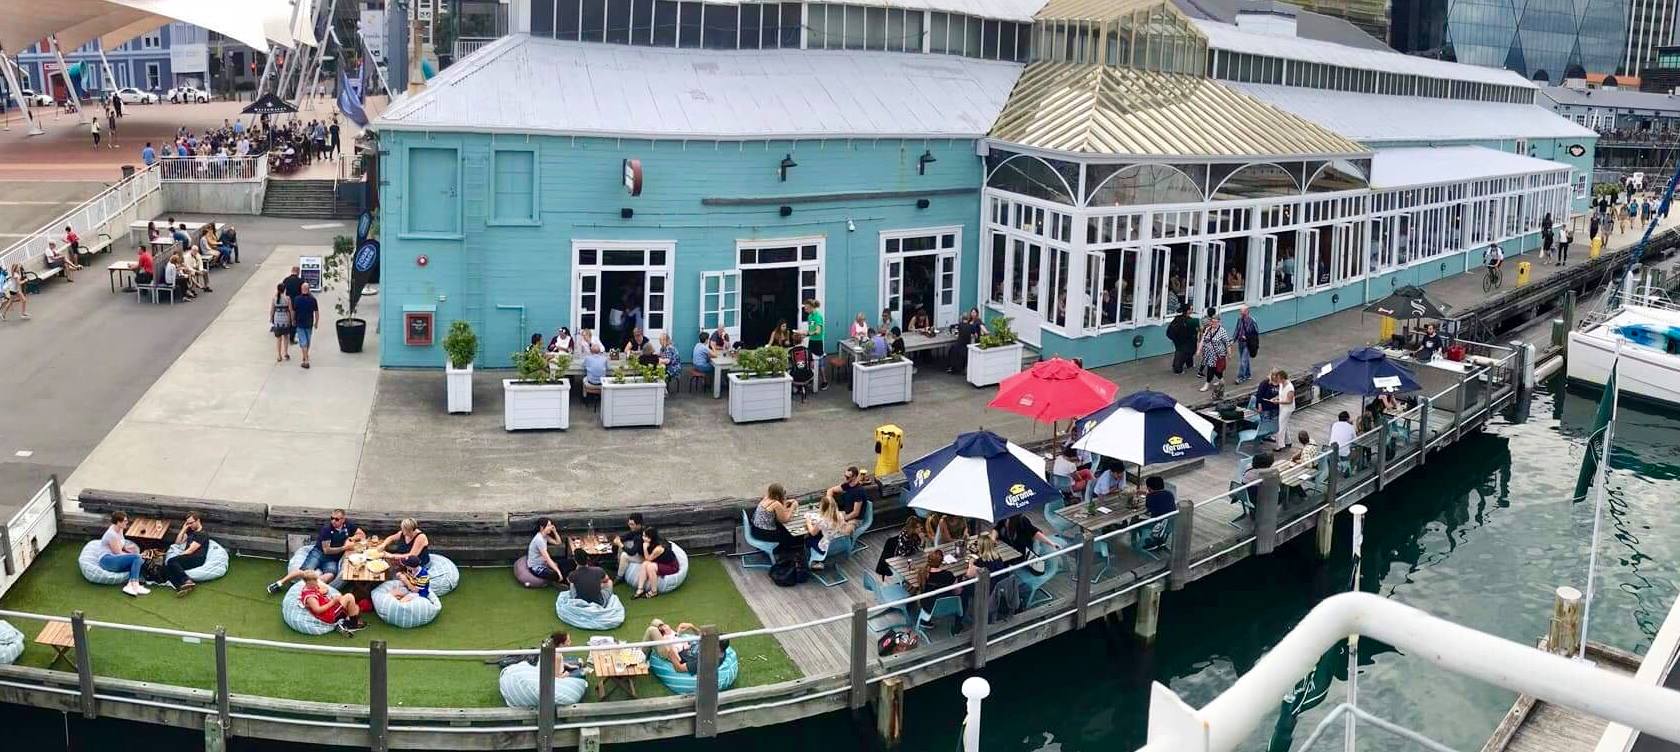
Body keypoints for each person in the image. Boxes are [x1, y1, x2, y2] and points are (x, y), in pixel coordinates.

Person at [268, 510, 366, 592]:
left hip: (333, 559)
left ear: (343, 520)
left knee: (330, 575)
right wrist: (345, 548)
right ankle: (279, 583)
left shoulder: (348, 525)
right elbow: (327, 550)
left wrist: (351, 539)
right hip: (319, 553)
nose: (333, 521)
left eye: (336, 519)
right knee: (304, 571)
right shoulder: (327, 529)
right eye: (332, 518)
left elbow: (361, 534)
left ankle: (309, 589)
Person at [299, 571, 367, 636]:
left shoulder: (309, 587)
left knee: (355, 607)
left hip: (329, 609)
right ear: (308, 582)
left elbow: (323, 590)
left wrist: (322, 591)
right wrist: (332, 602)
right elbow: (318, 610)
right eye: (315, 581)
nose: (317, 582)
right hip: (329, 615)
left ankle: (345, 622)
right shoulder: (310, 597)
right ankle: (352, 625)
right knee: (350, 597)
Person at [98, 512, 150, 597]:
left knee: (138, 560)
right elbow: (118, 553)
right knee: (137, 558)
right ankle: (135, 585)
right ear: (118, 522)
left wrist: (129, 550)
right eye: (125, 521)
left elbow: (122, 544)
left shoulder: (120, 529)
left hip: (115, 558)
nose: (127, 522)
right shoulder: (112, 534)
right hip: (107, 561)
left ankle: (129, 586)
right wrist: (134, 555)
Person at [161, 512, 211, 595]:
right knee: (167, 568)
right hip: (189, 557)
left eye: (191, 523)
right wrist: (183, 529)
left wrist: (178, 556)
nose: (190, 525)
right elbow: (177, 542)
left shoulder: (202, 534)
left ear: (198, 520)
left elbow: (191, 550)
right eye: (188, 523)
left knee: (171, 561)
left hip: (197, 558)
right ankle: (180, 588)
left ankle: (187, 580)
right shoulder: (190, 532)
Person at [803, 496, 856, 564]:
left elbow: (813, 533)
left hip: (828, 547)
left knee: (808, 539)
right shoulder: (840, 515)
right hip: (839, 543)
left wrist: (808, 522)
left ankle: (813, 562)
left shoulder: (822, 521)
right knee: (819, 535)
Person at [752, 483, 801, 554]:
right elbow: (784, 520)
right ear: (779, 495)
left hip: (755, 529)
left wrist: (785, 502)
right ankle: (782, 553)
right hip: (764, 534)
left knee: (782, 528)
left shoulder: (766, 498)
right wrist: (793, 507)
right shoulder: (776, 504)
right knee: (790, 536)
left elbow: (780, 510)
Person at [912, 549, 956, 625]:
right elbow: (957, 591)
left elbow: (920, 587)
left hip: (927, 605)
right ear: (942, 561)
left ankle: (925, 621)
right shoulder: (948, 574)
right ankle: (958, 622)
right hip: (946, 605)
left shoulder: (923, 573)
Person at [634, 527, 680, 599]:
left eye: (646, 536)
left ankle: (654, 591)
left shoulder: (658, 548)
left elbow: (648, 559)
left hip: (671, 566)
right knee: (644, 564)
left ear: (651, 538)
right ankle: (640, 589)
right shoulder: (650, 543)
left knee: (650, 566)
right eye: (643, 536)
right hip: (660, 562)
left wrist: (645, 548)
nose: (643, 538)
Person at [1196, 308, 1232, 392]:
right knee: (1213, 369)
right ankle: (1219, 381)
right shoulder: (1208, 329)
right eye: (1212, 322)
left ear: (1219, 322)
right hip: (1208, 353)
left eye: (1215, 322)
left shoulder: (1222, 331)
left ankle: (1209, 383)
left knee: (1213, 369)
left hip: (1218, 354)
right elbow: (1203, 340)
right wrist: (1199, 350)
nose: (1213, 323)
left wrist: (1229, 354)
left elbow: (1227, 343)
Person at [526, 518, 568, 586]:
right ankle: (562, 582)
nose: (551, 527)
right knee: (556, 574)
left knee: (567, 563)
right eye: (549, 525)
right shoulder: (539, 540)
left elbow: (558, 542)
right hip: (536, 567)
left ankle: (564, 579)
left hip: (544, 563)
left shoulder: (544, 536)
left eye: (551, 525)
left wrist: (555, 531)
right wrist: (558, 572)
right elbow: (547, 559)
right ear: (542, 527)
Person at [798, 299, 827, 388]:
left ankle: (824, 381)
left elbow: (818, 331)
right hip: (811, 341)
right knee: (810, 361)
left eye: (806, 308)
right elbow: (811, 330)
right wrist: (803, 334)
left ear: (811, 307)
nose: (805, 310)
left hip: (818, 342)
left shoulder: (818, 316)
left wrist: (807, 333)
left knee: (820, 363)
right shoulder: (810, 316)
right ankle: (811, 379)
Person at [290, 282, 320, 369]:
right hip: (309, 323)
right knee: (308, 340)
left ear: (301, 289)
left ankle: (305, 360)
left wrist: (292, 320)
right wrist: (316, 322)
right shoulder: (313, 299)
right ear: (309, 289)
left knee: (303, 341)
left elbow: (293, 311)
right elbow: (316, 312)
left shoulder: (297, 299)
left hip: (300, 322)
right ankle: (306, 355)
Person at [946, 308, 984, 374]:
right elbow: (976, 335)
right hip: (966, 345)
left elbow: (953, 328)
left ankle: (951, 367)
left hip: (959, 345)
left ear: (962, 319)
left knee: (951, 350)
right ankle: (960, 368)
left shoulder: (960, 325)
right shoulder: (971, 326)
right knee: (961, 354)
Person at [1167, 304, 1197, 375]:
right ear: (1188, 311)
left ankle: (1189, 364)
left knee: (1187, 351)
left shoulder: (1177, 318)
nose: (1192, 310)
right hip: (1184, 340)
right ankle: (1177, 369)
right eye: (1191, 309)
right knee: (1182, 353)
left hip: (1178, 339)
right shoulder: (1188, 320)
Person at [1233, 306, 1260, 384]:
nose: (1240, 313)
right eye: (1240, 311)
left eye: (1242, 311)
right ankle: (1248, 374)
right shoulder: (1239, 319)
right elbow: (1237, 330)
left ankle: (1240, 377)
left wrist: (1247, 337)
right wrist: (1233, 340)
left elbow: (1256, 333)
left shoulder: (1252, 321)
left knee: (1243, 360)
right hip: (1240, 342)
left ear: (1247, 311)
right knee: (1244, 359)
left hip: (1247, 343)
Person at [1270, 370, 1296, 450]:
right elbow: (1280, 394)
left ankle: (1279, 445)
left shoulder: (1290, 388)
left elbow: (1289, 401)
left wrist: (1278, 402)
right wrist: (1275, 398)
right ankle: (1288, 441)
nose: (1277, 381)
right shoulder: (1281, 384)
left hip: (1287, 408)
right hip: (1282, 406)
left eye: (1278, 379)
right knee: (1284, 424)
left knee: (1280, 425)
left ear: (1282, 378)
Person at [269, 283, 294, 362]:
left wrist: (271, 318)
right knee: (286, 337)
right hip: (285, 319)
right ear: (284, 290)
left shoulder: (274, 298)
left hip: (277, 320)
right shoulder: (287, 299)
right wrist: (292, 319)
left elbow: (272, 310)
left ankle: (279, 355)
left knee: (278, 338)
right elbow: (290, 310)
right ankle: (285, 353)